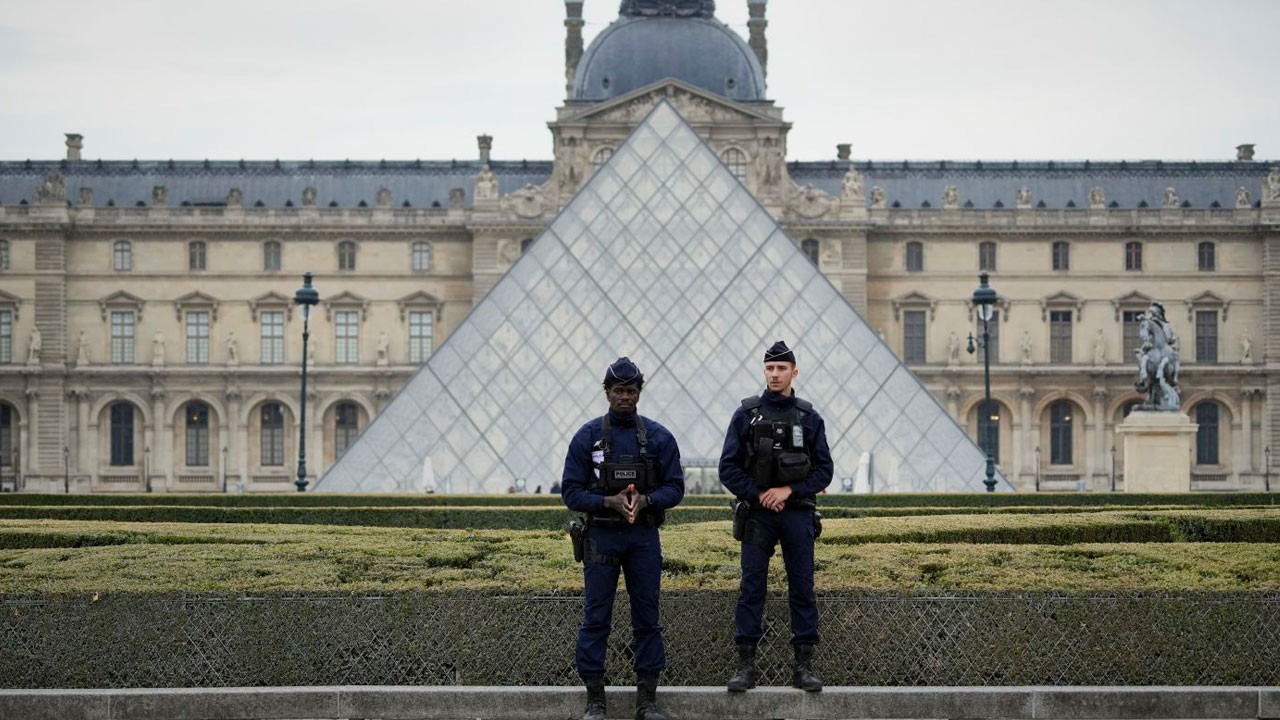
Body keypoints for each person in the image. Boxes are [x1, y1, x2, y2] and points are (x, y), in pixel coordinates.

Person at [561, 357, 685, 720]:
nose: (625, 397)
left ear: (639, 393)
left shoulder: (660, 437)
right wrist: (607, 502)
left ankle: (647, 702)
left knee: (647, 618)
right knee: (596, 618)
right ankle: (595, 700)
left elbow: (676, 488)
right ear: (607, 393)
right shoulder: (586, 437)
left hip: (643, 536)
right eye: (619, 391)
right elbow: (570, 492)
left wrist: (646, 500)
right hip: (600, 535)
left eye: (631, 391)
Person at [719, 340, 833, 693]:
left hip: (797, 514)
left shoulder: (809, 418)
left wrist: (788, 492)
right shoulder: (745, 415)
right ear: (764, 371)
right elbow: (728, 469)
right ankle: (745, 665)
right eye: (769, 368)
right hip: (758, 515)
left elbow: (824, 471)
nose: (774, 374)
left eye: (781, 368)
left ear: (794, 372)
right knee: (751, 588)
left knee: (803, 588)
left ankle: (804, 666)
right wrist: (759, 495)